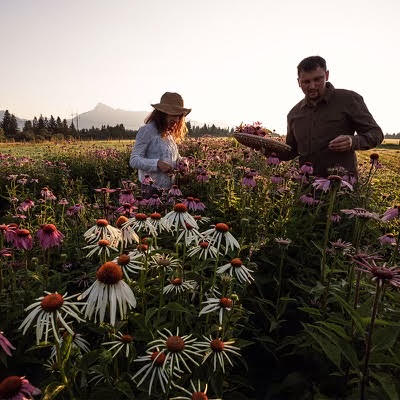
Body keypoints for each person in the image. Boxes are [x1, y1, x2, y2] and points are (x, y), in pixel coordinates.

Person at [281, 56, 383, 177]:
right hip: (306, 188)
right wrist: (262, 144)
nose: (312, 86)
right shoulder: (294, 114)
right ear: (298, 82)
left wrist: (353, 141)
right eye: (306, 82)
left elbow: (376, 133)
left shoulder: (348, 99)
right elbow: (291, 151)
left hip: (341, 188)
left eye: (317, 79)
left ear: (327, 75)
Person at [129, 92, 191, 196]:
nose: (176, 119)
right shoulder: (147, 130)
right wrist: (157, 164)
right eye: (173, 114)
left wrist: (182, 161)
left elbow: (173, 157)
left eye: (178, 116)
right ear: (162, 113)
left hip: (170, 190)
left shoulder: (169, 134)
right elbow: (134, 160)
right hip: (151, 190)